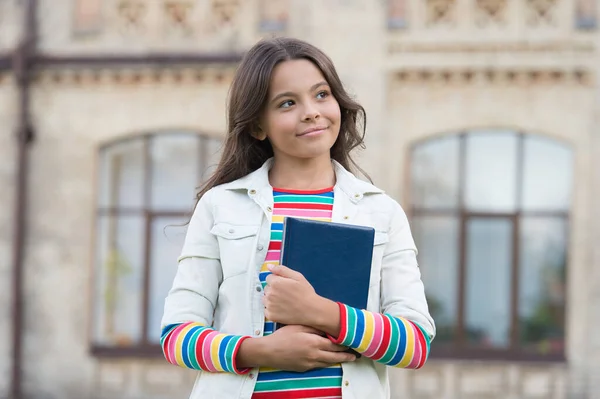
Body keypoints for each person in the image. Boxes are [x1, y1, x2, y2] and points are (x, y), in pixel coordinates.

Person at [160, 37, 435, 399]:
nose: (311, 111)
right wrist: (262, 351)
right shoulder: (221, 206)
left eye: (321, 95)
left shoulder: (382, 212)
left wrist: (320, 312)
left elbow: (414, 344)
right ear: (259, 126)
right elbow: (176, 335)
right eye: (287, 103)